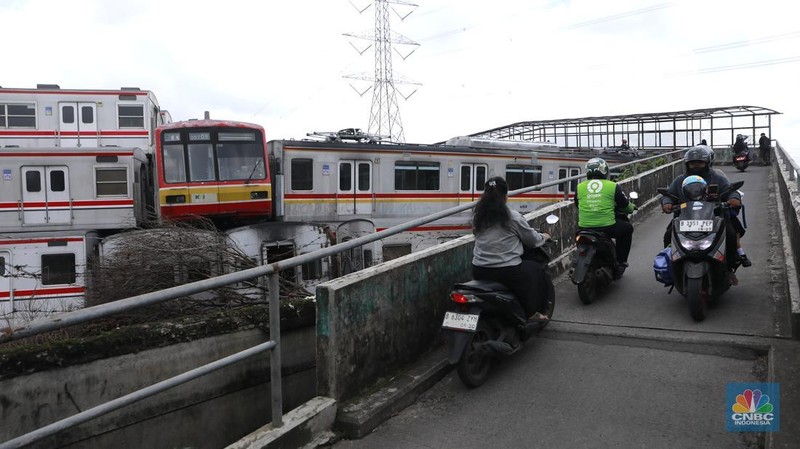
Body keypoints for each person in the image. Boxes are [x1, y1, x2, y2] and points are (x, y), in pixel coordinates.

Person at [471, 176, 552, 322]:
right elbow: (533, 240)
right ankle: (531, 313)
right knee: (534, 269)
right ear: (505, 196)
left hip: (479, 269)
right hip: (506, 271)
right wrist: (545, 236)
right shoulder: (512, 217)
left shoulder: (478, 216)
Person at [661, 146, 747, 277]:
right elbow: (669, 194)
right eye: (692, 163)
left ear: (707, 163)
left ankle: (729, 268)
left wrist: (734, 199)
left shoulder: (717, 178)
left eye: (700, 162)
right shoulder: (679, 180)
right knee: (668, 236)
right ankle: (672, 268)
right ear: (687, 164)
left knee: (730, 235)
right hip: (685, 218)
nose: (696, 165)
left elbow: (730, 191)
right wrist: (666, 202)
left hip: (714, 218)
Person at [574, 157, 636, 277]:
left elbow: (577, 205)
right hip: (607, 227)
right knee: (627, 228)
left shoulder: (579, 187)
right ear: (605, 171)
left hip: (583, 227)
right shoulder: (612, 186)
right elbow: (625, 206)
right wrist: (632, 207)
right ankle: (621, 262)